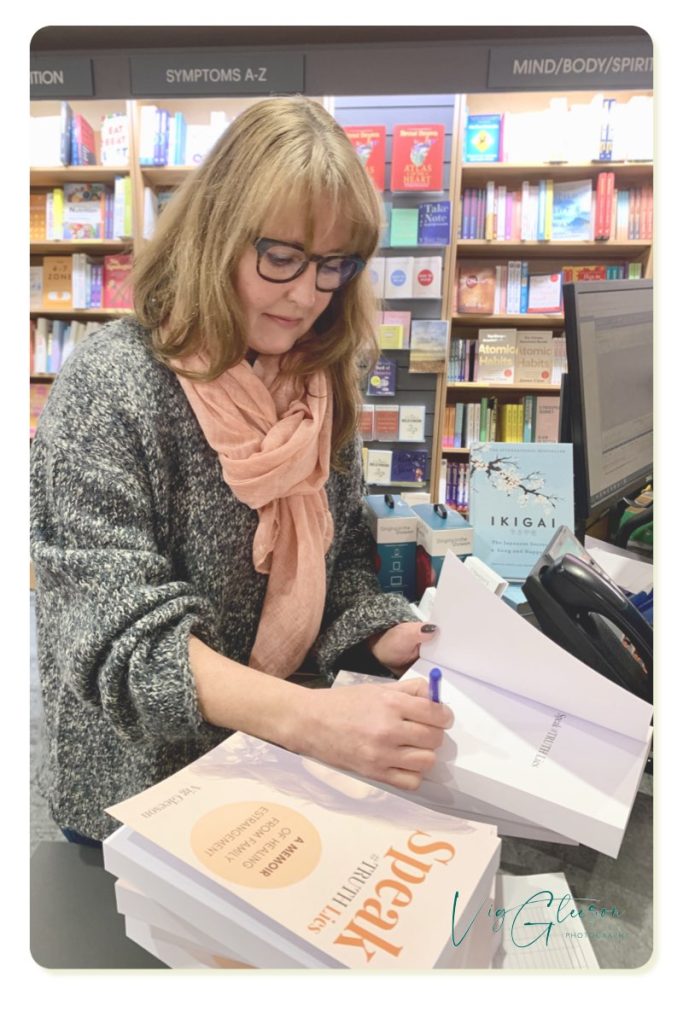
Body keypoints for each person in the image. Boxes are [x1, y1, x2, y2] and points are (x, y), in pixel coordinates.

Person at [30, 97, 453, 844]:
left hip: (279, 767)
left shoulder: (322, 379)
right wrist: (311, 719)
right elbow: (117, 640)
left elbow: (343, 556)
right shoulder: (113, 385)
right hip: (141, 793)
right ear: (212, 233)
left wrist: (380, 634)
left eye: (333, 265)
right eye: (281, 257)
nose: (306, 294)